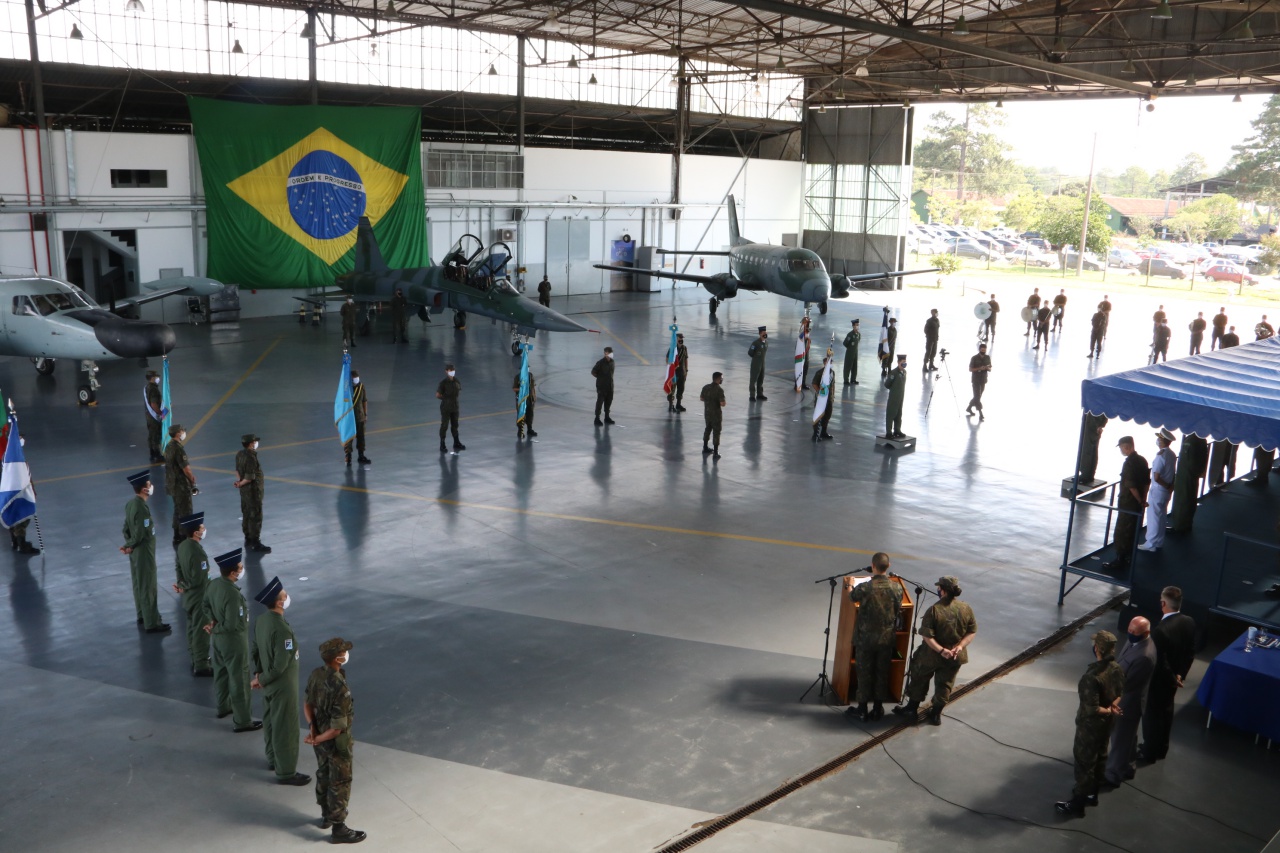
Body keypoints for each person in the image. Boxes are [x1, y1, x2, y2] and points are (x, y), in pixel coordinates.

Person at [1054, 630, 1124, 817]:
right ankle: (1093, 794)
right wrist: (1112, 708)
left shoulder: (1091, 677)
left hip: (1090, 727)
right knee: (1101, 755)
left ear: (1097, 649)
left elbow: (1092, 709)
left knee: (1085, 762)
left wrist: (1107, 709)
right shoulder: (1116, 668)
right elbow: (1120, 693)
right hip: (1107, 724)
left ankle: (1078, 804)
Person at [304, 638, 367, 844]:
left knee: (323, 773)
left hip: (320, 734)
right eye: (343, 652)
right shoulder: (339, 686)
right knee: (340, 781)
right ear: (337, 657)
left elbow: (308, 703)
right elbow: (338, 728)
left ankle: (325, 816)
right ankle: (339, 828)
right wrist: (319, 738)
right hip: (336, 741)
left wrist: (313, 730)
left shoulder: (316, 674)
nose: (346, 654)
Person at [893, 575, 976, 726]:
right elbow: (971, 631)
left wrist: (941, 650)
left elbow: (927, 636)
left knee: (919, 677)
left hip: (931, 655)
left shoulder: (934, 610)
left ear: (942, 591)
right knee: (945, 684)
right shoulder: (966, 608)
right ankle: (936, 714)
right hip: (955, 656)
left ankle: (911, 709)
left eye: (939, 588)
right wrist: (960, 646)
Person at [252, 576, 310, 786]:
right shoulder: (282, 629)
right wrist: (265, 678)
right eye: (284, 595)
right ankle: (285, 771)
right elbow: (279, 666)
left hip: (268, 685)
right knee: (285, 727)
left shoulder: (261, 621)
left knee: (269, 722)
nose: (287, 597)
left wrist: (258, 676)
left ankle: (272, 758)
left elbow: (256, 651)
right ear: (278, 602)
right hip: (283, 686)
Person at [203, 548, 260, 733]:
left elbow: (205, 605)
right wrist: (217, 627)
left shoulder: (213, 585)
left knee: (220, 673)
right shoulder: (233, 595)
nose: (243, 569)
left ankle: (223, 707)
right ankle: (243, 721)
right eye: (241, 566)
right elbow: (232, 624)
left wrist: (212, 623)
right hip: (233, 642)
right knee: (240, 679)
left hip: (217, 641)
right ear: (234, 572)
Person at [1139, 586, 1196, 762]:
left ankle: (1149, 752)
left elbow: (1160, 661)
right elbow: (1190, 652)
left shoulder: (1160, 630)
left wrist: (1172, 678)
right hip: (1174, 679)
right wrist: (1180, 675)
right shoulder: (1189, 622)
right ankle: (1161, 749)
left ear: (1163, 603)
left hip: (1160, 681)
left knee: (1152, 716)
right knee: (1166, 712)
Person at [845, 553, 902, 722]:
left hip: (866, 640)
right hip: (886, 639)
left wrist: (849, 585)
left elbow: (852, 597)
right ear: (888, 566)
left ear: (873, 566)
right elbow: (897, 607)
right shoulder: (897, 588)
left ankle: (862, 709)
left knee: (864, 673)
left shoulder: (865, 588)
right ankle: (878, 708)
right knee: (881, 673)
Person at [1104, 616, 1156, 788]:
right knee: (1128, 738)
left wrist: (1110, 700)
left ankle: (1113, 775)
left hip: (1127, 703)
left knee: (1119, 739)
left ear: (1146, 633)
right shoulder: (1135, 642)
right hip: (1127, 699)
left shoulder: (1144, 656)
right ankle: (1128, 767)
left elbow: (1127, 685)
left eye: (1135, 632)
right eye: (1130, 630)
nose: (1131, 634)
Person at [120, 471, 169, 633]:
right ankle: (152, 622)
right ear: (144, 489)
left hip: (135, 551)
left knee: (138, 584)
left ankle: (142, 614)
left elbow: (126, 528)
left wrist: (128, 545)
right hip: (144, 552)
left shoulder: (130, 504)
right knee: (148, 586)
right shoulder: (141, 508)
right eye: (148, 485)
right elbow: (141, 533)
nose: (151, 486)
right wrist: (132, 545)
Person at [173, 512, 213, 676]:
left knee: (191, 628)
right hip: (199, 597)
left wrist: (181, 584)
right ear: (196, 532)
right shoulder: (197, 552)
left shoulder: (182, 546)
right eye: (202, 527)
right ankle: (201, 664)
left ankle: (195, 658)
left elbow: (178, 569)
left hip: (188, 598)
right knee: (201, 631)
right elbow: (198, 578)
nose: (204, 530)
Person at [1103, 436, 1149, 572]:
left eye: (1122, 447)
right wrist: (1143, 500)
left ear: (1127, 447)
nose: (1121, 450)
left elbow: (1131, 486)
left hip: (1128, 502)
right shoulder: (1142, 460)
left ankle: (1120, 560)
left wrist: (1139, 499)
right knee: (1134, 529)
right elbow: (1147, 482)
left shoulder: (1128, 464)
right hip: (1138, 503)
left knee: (1122, 531)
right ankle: (1129, 556)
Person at [1139, 429, 1177, 552]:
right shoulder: (1171, 454)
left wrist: (1165, 486)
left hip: (1158, 490)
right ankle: (1158, 542)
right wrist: (1170, 486)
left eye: (1159, 438)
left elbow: (1156, 476)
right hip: (1166, 490)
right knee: (1161, 517)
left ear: (1162, 440)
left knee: (1154, 517)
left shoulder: (1161, 456)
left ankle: (1151, 543)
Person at [235, 433, 271, 554]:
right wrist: (241, 483)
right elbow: (250, 477)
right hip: (253, 491)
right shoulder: (251, 456)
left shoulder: (239, 454)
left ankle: (248, 538)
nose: (256, 443)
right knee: (255, 516)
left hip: (244, 492)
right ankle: (255, 542)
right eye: (254, 441)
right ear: (251, 443)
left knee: (246, 513)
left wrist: (239, 482)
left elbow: (237, 471)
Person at [163, 424, 197, 545]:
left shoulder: (168, 446)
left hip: (172, 484)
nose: (183, 433)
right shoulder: (178, 448)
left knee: (177, 509)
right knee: (186, 511)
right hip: (181, 485)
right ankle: (185, 537)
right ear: (178, 433)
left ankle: (176, 535)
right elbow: (186, 469)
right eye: (182, 431)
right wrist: (192, 479)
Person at [1169, 434, 1208, 530]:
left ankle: (1179, 526)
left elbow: (1190, 461)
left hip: (1186, 477)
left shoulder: (1191, 440)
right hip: (1190, 476)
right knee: (1188, 499)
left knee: (1183, 500)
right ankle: (1185, 524)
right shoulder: (1201, 439)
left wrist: (1191, 473)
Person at [345, 369, 370, 467]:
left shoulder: (361, 387)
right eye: (354, 378)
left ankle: (361, 455)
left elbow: (364, 401)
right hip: (349, 417)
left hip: (360, 416)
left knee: (361, 437)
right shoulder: (346, 389)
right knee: (349, 438)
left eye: (357, 378)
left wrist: (365, 414)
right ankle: (348, 456)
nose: (356, 380)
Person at [437, 363, 465, 451]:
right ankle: (442, 444)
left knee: (455, 425)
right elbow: (438, 395)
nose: (452, 372)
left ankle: (456, 442)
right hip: (446, 407)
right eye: (450, 370)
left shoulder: (456, 381)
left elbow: (458, 391)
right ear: (446, 371)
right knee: (444, 425)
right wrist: (445, 399)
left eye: (453, 370)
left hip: (455, 407)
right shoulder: (443, 383)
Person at [699, 371, 726, 458]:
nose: (722, 380)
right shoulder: (719, 390)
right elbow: (722, 403)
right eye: (721, 378)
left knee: (707, 429)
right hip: (716, 415)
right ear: (718, 379)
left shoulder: (705, 387)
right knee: (716, 432)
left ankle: (705, 447)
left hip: (707, 413)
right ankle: (715, 451)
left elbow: (701, 398)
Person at [964, 343, 992, 421]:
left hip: (983, 379)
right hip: (976, 379)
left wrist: (987, 368)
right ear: (979, 349)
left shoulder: (987, 357)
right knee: (977, 396)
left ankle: (969, 408)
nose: (983, 351)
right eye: (982, 349)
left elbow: (990, 368)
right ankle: (980, 413)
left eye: (984, 349)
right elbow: (970, 369)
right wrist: (979, 368)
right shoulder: (974, 358)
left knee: (978, 396)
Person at [811, 353, 835, 441]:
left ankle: (823, 432)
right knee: (818, 415)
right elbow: (814, 384)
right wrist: (820, 392)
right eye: (828, 362)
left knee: (827, 415)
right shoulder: (820, 373)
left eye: (831, 362)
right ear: (824, 363)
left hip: (829, 398)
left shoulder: (832, 373)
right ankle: (815, 434)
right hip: (821, 398)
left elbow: (832, 385)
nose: (830, 363)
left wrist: (832, 396)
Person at [1079, 413, 1109, 482]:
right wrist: (1101, 425)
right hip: (1096, 423)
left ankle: (1085, 474)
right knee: (1093, 450)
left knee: (1087, 450)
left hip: (1092, 423)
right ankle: (1090, 474)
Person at [883, 354, 907, 439]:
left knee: (898, 414)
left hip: (900, 397)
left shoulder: (904, 372)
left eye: (905, 362)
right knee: (891, 414)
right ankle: (889, 432)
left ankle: (897, 430)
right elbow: (887, 384)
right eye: (902, 362)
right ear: (898, 362)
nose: (904, 364)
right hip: (894, 397)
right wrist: (894, 390)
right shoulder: (894, 373)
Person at [144, 369, 165, 464]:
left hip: (149, 415)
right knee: (156, 435)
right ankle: (157, 455)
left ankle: (152, 454)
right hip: (154, 416)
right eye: (156, 376)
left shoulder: (147, 387)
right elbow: (153, 404)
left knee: (152, 435)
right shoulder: (153, 389)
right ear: (152, 378)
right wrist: (160, 413)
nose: (158, 378)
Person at [591, 347, 616, 426]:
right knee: (600, 402)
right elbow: (593, 372)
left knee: (609, 401)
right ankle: (597, 418)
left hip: (610, 385)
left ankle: (607, 417)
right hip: (602, 386)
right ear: (605, 353)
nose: (611, 354)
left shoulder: (612, 362)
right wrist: (600, 378)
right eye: (609, 352)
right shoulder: (600, 363)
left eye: (611, 352)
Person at [667, 333, 689, 413]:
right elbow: (668, 359)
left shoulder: (684, 348)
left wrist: (686, 370)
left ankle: (678, 404)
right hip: (674, 373)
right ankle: (671, 405)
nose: (681, 339)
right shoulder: (672, 348)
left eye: (682, 338)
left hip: (682, 372)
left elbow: (686, 359)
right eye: (680, 338)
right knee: (672, 390)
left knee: (681, 389)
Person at [514, 369, 538, 440]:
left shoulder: (530, 376)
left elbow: (533, 386)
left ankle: (529, 429)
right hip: (522, 400)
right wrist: (522, 389)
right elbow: (514, 388)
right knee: (521, 415)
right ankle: (520, 431)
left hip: (530, 399)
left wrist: (534, 397)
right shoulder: (518, 377)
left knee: (530, 414)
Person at [748, 327, 769, 401]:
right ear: (760, 334)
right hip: (756, 363)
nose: (765, 334)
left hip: (762, 363)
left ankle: (760, 394)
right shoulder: (755, 343)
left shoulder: (766, 343)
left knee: (761, 379)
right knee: (753, 379)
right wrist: (756, 357)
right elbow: (750, 353)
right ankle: (752, 395)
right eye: (763, 333)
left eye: (765, 332)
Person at [842, 319, 860, 386]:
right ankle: (846, 380)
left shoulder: (858, 334)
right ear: (853, 326)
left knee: (854, 367)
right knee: (847, 366)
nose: (857, 326)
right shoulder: (850, 334)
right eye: (856, 325)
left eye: (858, 325)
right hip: (850, 353)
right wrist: (850, 349)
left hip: (855, 353)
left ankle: (853, 379)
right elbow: (845, 343)